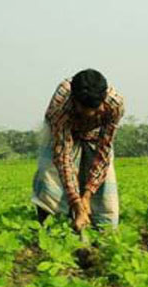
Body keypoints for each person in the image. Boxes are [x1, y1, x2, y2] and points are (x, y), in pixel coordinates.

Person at [31, 69, 125, 231]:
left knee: (104, 197)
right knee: (50, 181)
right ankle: (54, 228)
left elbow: (103, 152)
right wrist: (77, 203)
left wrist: (87, 196)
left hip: (95, 136)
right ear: (74, 101)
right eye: (85, 110)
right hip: (62, 135)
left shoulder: (114, 105)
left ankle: (100, 234)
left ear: (103, 101)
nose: (91, 115)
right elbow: (64, 158)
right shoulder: (60, 107)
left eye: (96, 111)